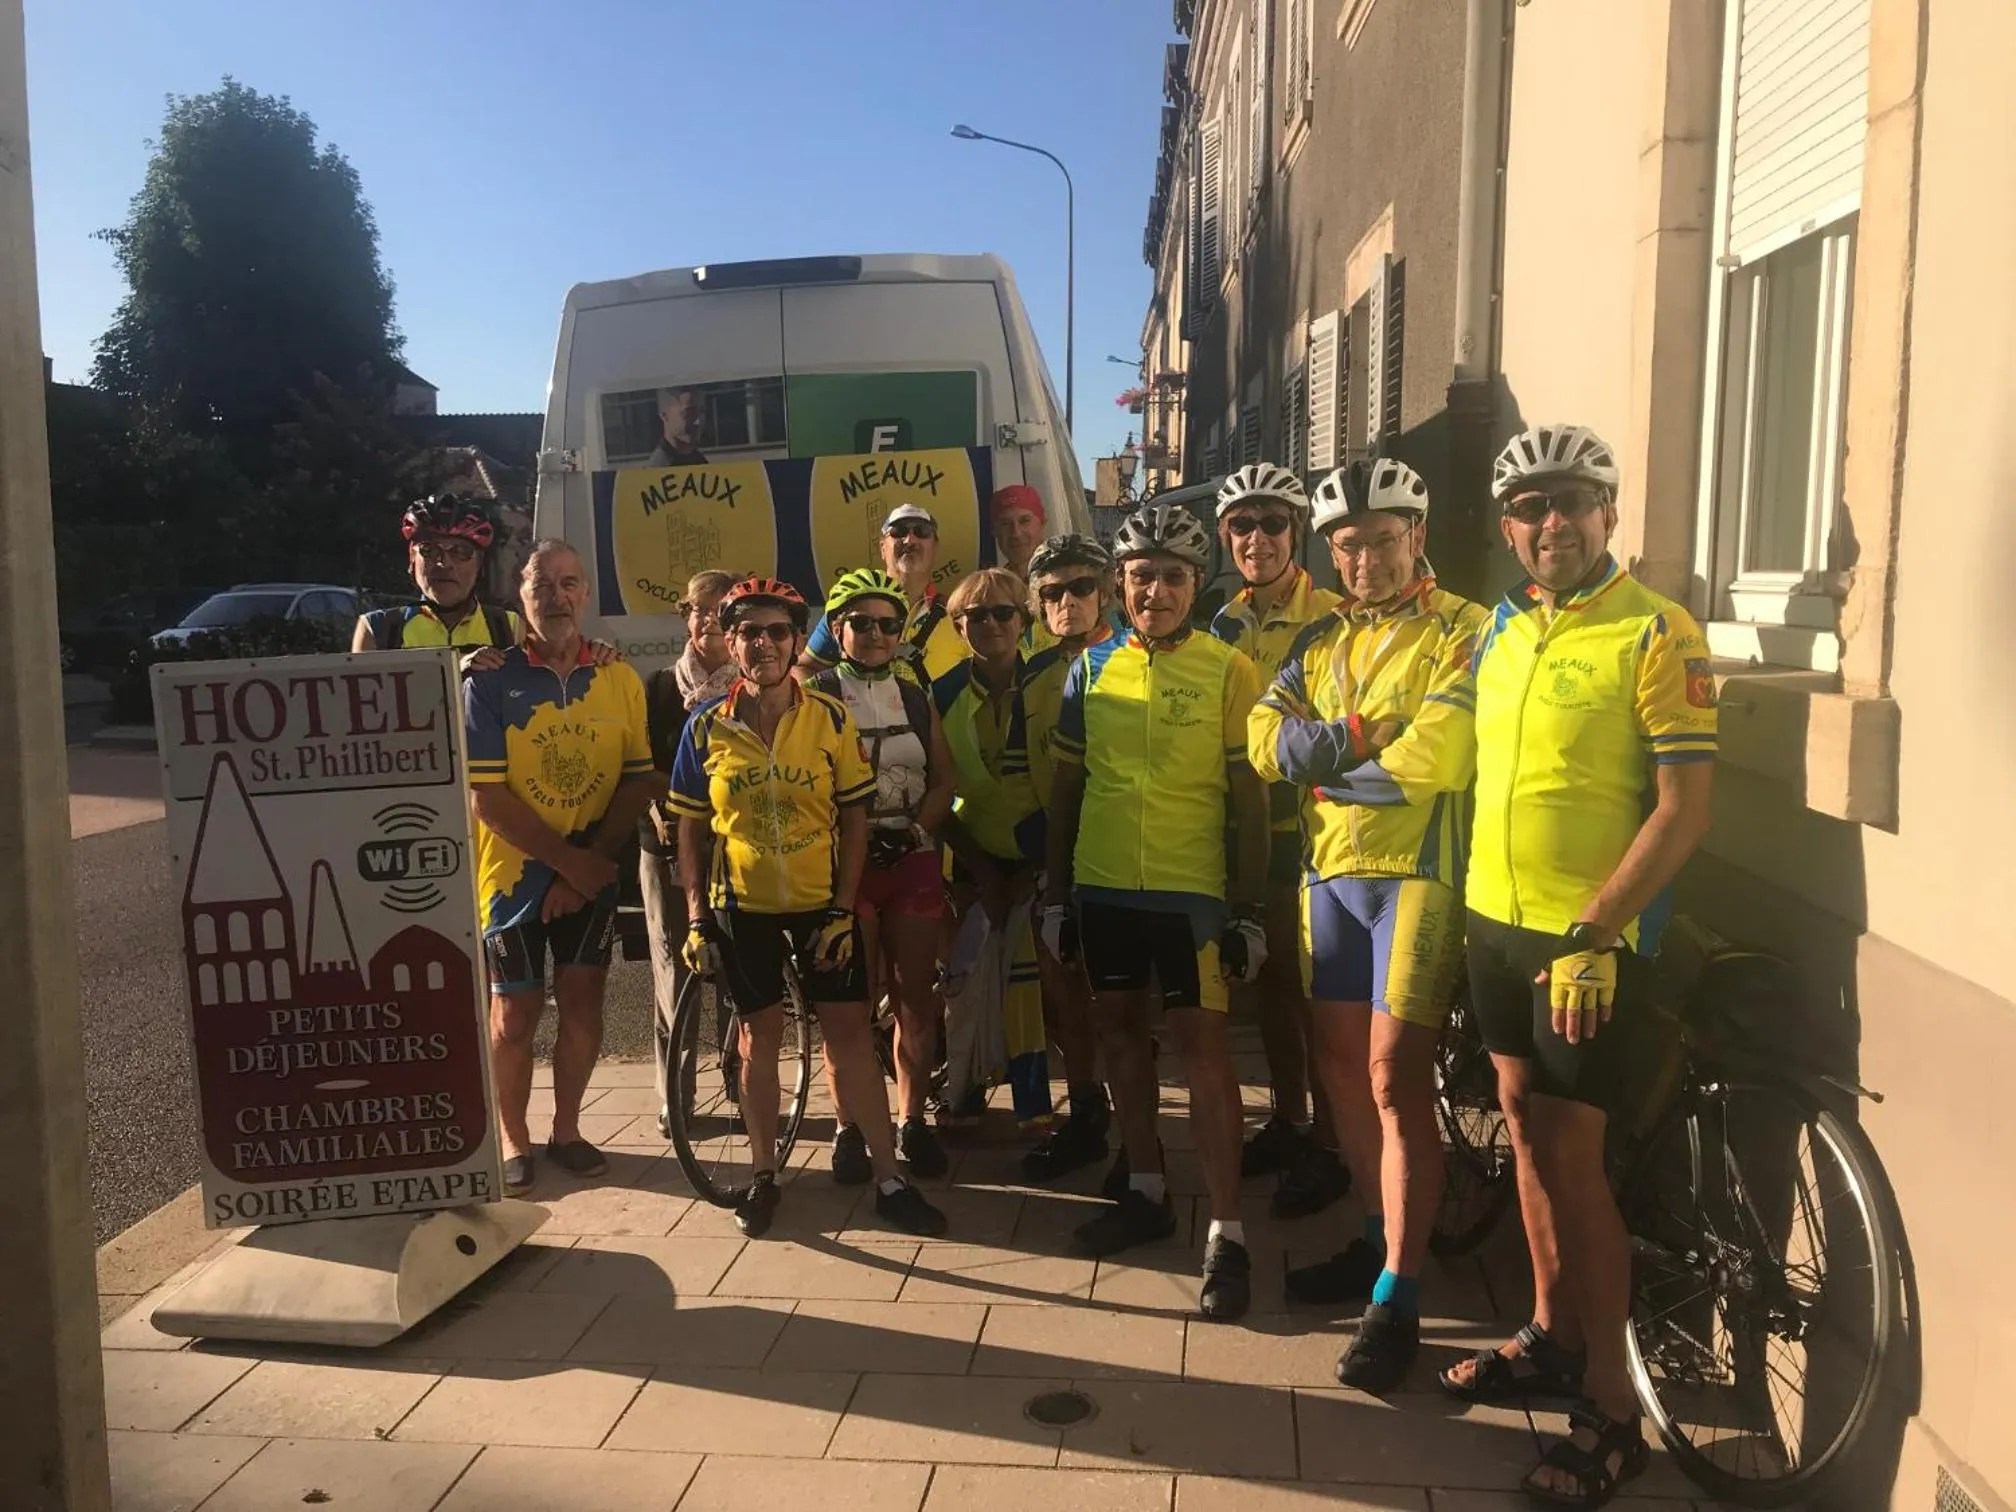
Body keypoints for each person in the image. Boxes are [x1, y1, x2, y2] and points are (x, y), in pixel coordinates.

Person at [1441, 425, 1716, 1508]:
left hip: (1586, 946)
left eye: (1572, 503)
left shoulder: (1657, 632)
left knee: (1574, 1161)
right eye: (1529, 507)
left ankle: (1613, 1411)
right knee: (1521, 1127)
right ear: (1508, 525)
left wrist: (1597, 933)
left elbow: (1686, 811)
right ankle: (1552, 1332)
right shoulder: (1502, 627)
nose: (1551, 523)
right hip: (1493, 926)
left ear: (1608, 512)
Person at [1249, 457, 1486, 1393]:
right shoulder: (1318, 638)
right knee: (1338, 1069)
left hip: (1417, 876)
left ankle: (1399, 1292)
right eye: (1346, 546)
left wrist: (1322, 753)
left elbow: (1436, 758)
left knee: (1394, 1080)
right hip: (1330, 873)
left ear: (1417, 536)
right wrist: (1353, 736)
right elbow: (1266, 743)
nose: (1364, 561)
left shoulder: (1465, 629)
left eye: (1382, 542)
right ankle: (1375, 1233)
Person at [1042, 503, 1270, 1320]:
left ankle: (1230, 1234)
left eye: (1173, 577)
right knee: (1119, 1041)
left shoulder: (1227, 668)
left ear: (1196, 585)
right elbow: (1065, 791)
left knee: (1204, 1055)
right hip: (1103, 887)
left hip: (1191, 893)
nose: (1156, 591)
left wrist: (1247, 908)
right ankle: (1145, 1189)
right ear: (1119, 584)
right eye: (1142, 577)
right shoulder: (1089, 670)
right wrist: (1054, 895)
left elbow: (1249, 799)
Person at [670, 576, 948, 1240]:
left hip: (822, 905)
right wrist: (694, 915)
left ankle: (888, 1177)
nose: (762, 644)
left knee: (851, 1036)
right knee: (756, 1038)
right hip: (742, 905)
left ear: (797, 641)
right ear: (730, 642)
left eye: (776, 632)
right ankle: (764, 1176)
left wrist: (842, 907)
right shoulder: (706, 725)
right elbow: (689, 827)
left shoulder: (829, 717)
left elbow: (854, 816)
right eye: (748, 632)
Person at [465, 541, 662, 1195]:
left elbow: (638, 782)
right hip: (512, 878)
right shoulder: (489, 679)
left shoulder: (618, 677)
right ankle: (515, 1139)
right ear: (520, 596)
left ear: (585, 594)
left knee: (583, 1003)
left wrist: (588, 866)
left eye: (568, 583)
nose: (555, 595)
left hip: (592, 871)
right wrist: (565, 867)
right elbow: (486, 797)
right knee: (513, 1013)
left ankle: (568, 1130)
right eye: (540, 584)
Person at [1207, 463, 1349, 1220]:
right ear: (1224, 537)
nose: (1256, 538)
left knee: (1318, 994)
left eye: (1272, 523)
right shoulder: (1221, 620)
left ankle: (1330, 1145)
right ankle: (1290, 1120)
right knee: (1269, 988)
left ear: (1297, 533)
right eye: (1241, 525)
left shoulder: (1334, 615)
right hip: (1244, 830)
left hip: (1317, 830)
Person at [806, 567, 957, 1183]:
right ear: (836, 629)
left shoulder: (914, 693)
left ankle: (910, 1118)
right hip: (845, 866)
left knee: (915, 1000)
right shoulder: (812, 693)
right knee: (851, 1006)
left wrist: (919, 830)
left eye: (887, 624)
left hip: (909, 857)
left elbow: (945, 778)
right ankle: (848, 1127)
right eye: (860, 623)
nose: (874, 634)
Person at [933, 568, 1055, 1131]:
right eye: (975, 616)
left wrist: (1035, 869)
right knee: (969, 982)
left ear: (1025, 620)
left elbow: (1073, 781)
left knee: (1033, 988)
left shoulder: (1052, 681)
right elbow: (941, 794)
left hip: (1044, 859)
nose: (991, 624)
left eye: (1003, 612)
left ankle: (1036, 1106)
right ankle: (963, 1089)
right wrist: (983, 873)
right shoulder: (944, 693)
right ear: (959, 627)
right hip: (975, 860)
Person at [1014, 534, 1119, 1180]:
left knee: (1125, 1005)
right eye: (1052, 592)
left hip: (1125, 854)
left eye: (1081, 587)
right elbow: (1030, 773)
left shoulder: (1130, 660)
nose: (1067, 602)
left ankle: (1141, 1145)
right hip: (1057, 854)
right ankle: (1086, 1111)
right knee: (1065, 997)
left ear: (1105, 592)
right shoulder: (1035, 673)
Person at [641, 571, 739, 1139]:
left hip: (736, 850)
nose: (704, 619)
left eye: (716, 609)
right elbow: (642, 765)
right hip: (667, 846)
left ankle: (741, 1081)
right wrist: (676, 806)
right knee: (674, 973)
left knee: (739, 972)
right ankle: (674, 1100)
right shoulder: (656, 687)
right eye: (694, 609)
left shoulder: (747, 692)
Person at [799, 504, 969, 684]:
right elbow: (804, 667)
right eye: (898, 531)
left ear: (935, 547)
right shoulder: (850, 606)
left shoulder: (959, 616)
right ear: (882, 548)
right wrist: (831, 705)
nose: (910, 540)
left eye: (922, 531)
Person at [354, 495, 521, 654]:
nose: (444, 563)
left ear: (479, 564)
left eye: (461, 551)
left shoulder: (509, 628)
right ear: (412, 559)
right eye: (429, 550)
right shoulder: (378, 630)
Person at [990, 483, 1047, 579]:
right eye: (1006, 524)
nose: (1016, 533)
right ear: (995, 531)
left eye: (1024, 521)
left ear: (1042, 523)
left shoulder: (1069, 579)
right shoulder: (993, 589)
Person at [648, 386, 709, 467]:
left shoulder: (698, 460)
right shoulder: (659, 469)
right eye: (688, 412)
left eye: (702, 411)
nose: (697, 421)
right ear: (664, 415)